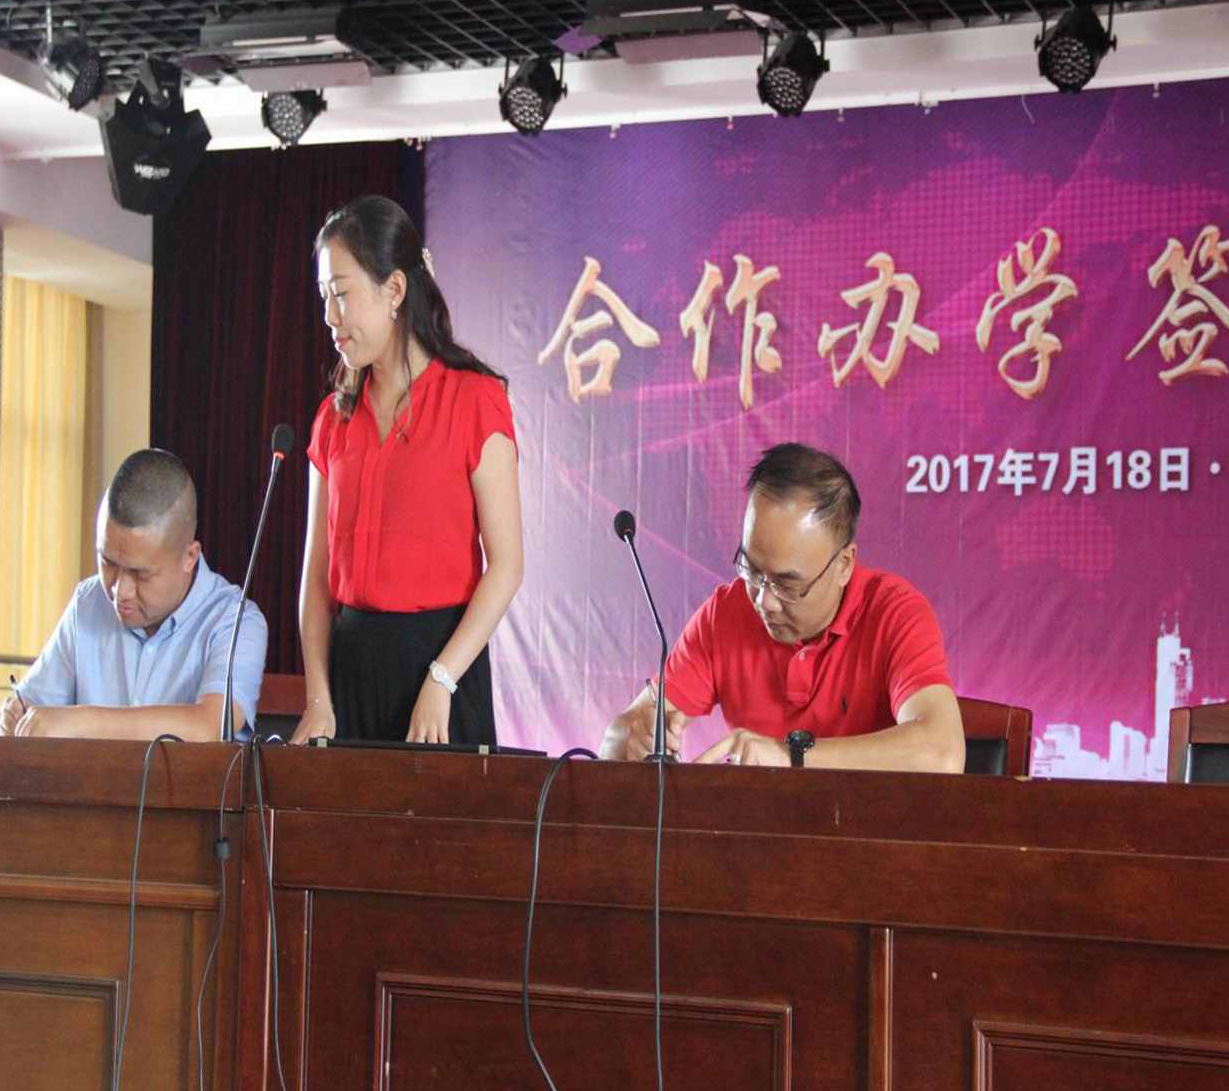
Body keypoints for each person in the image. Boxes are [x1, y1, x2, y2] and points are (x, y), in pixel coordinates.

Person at [292, 195, 523, 746]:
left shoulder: (475, 401)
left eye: (341, 294)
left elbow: (507, 566)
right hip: (350, 675)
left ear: (394, 290)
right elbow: (316, 580)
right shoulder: (332, 419)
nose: (330, 317)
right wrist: (318, 697)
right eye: (324, 297)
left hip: (443, 673)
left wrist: (442, 679)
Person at [600, 442, 964, 772]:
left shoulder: (895, 614)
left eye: (787, 585)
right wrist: (631, 737)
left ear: (843, 565)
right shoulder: (726, 613)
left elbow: (942, 754)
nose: (764, 601)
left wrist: (789, 755)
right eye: (751, 570)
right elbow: (617, 738)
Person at [0, 448, 266, 741]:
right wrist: (14, 722)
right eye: (107, 562)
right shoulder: (88, 602)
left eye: (140, 574)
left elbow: (209, 728)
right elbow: (31, 712)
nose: (118, 590)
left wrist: (81, 720)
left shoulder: (235, 620)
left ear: (190, 557)